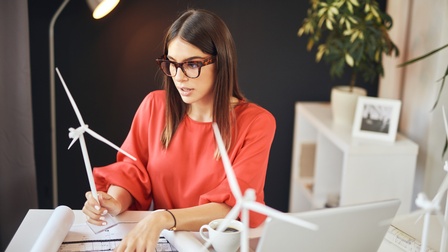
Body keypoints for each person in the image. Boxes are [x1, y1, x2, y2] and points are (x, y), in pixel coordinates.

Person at [82, 8, 276, 251]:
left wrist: (164, 218)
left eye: (192, 64)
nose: (179, 77)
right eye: (172, 64)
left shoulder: (257, 123)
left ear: (221, 62)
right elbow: (131, 171)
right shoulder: (154, 106)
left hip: (222, 245)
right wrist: (114, 201)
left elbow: (233, 205)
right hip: (170, 241)